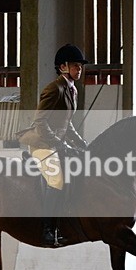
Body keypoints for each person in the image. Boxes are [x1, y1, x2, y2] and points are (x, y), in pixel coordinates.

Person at [17, 43, 89, 246]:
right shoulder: (54, 89)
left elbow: (66, 123)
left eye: (80, 66)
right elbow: (40, 122)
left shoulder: (72, 90)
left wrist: (81, 142)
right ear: (63, 67)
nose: (79, 69)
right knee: (56, 180)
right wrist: (57, 142)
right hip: (42, 143)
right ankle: (47, 230)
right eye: (75, 66)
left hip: (57, 143)